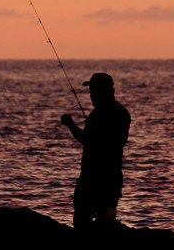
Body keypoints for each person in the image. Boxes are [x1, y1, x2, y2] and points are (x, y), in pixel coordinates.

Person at [61, 72, 131, 230]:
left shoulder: (106, 113)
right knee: (105, 224)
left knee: (84, 223)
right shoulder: (120, 111)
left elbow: (91, 139)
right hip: (110, 180)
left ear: (105, 90)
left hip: (95, 180)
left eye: (94, 90)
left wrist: (71, 124)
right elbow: (116, 141)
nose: (91, 95)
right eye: (91, 90)